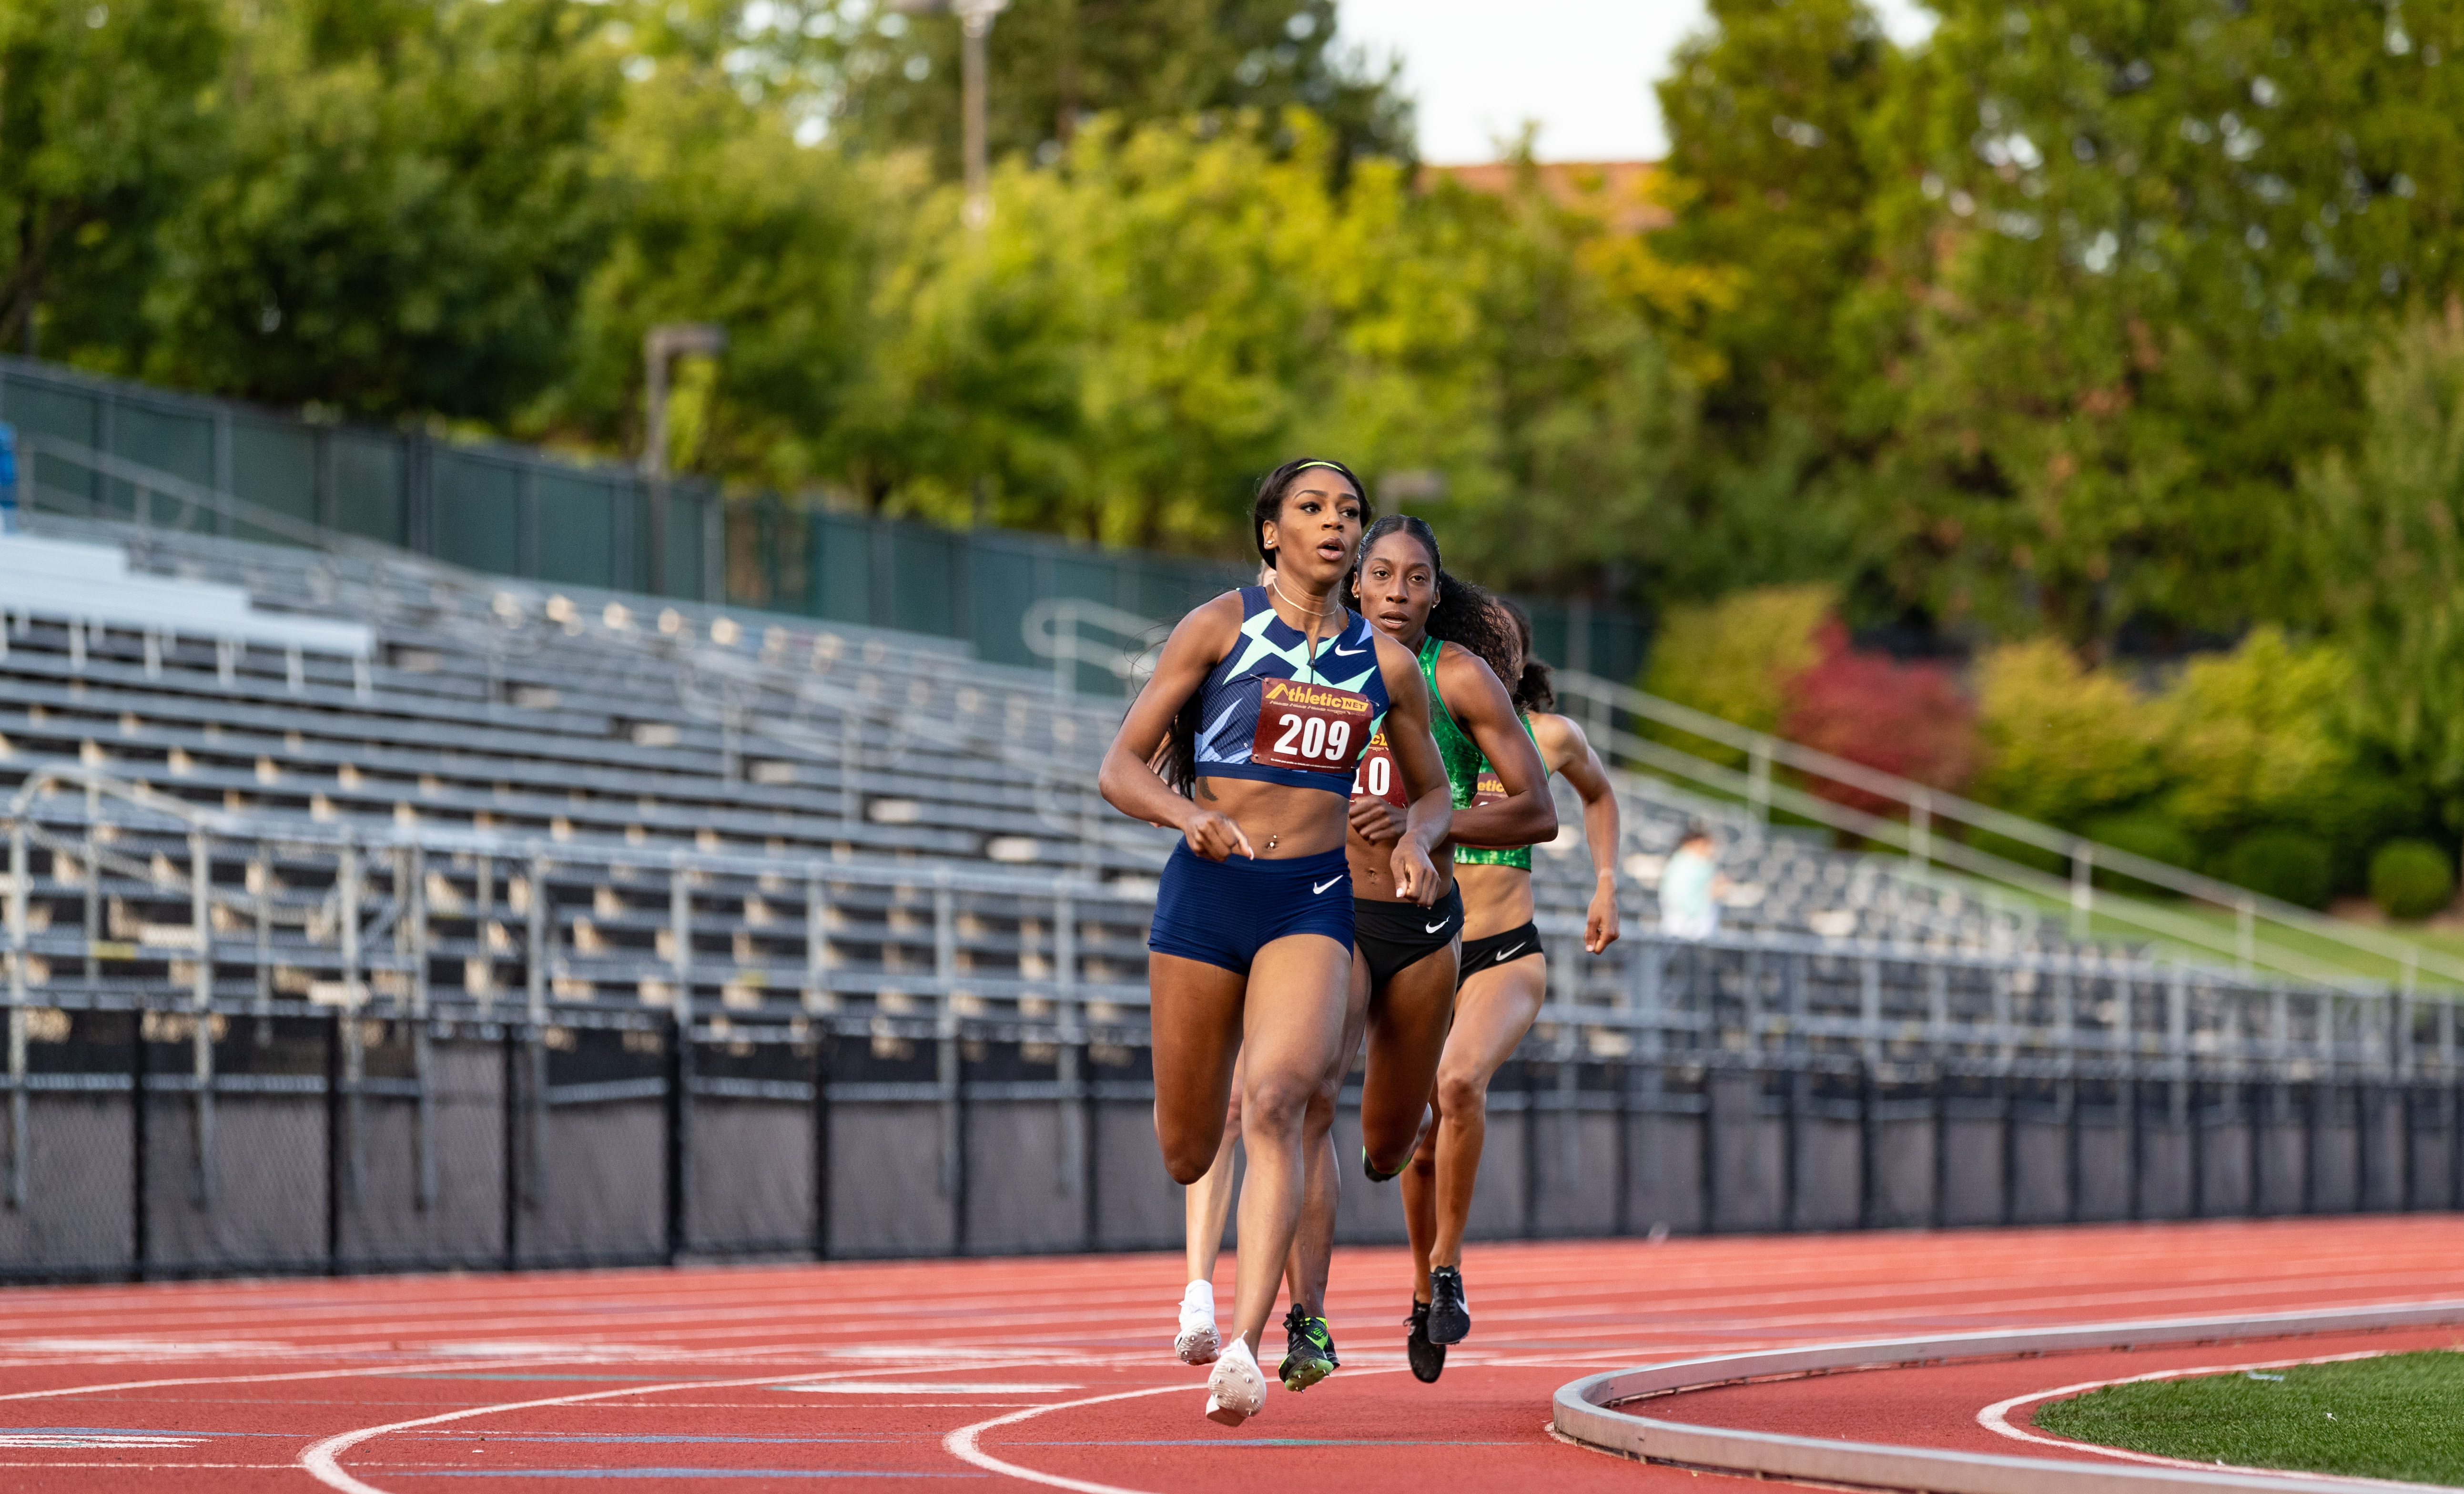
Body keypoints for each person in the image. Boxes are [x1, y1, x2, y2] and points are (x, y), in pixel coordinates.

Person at [1099, 458, 1453, 1428]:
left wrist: (1420, 839)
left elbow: (1432, 789)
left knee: (1278, 1097)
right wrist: (1184, 815)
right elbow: (1118, 767)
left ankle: (1248, 1349)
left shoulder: (1380, 664)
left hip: (1309, 900)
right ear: (1271, 534)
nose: (1333, 525)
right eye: (1310, 509)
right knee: (1185, 1145)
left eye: (1347, 511)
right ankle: (1227, 1290)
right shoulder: (1218, 625)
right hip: (1206, 895)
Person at [1235, 515, 1556, 1395]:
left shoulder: (1461, 679)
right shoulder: (1306, 667)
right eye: (1382, 575)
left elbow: (1540, 813)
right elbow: (1257, 780)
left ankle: (1426, 1259)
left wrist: (1433, 821)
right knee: (1304, 1096)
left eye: (1417, 579)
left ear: (1434, 592)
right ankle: (1310, 1320)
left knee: (1388, 1144)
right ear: (1356, 583)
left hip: (1423, 930)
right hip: (1327, 912)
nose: (1397, 593)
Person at [1398, 599, 1623, 1382]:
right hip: (1427, 951)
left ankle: (1449, 1266)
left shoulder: (1550, 737)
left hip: (1507, 952)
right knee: (1416, 1135)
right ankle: (1424, 1289)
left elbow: (1597, 797)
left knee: (1459, 1085)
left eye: (1502, 644)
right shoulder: (1416, 721)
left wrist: (1605, 883)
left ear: (1519, 656)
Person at [1660, 823, 1724, 940]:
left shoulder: (1702, 867)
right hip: (1685, 926)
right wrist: (1711, 894)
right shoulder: (1684, 866)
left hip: (1694, 925)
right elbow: (1682, 900)